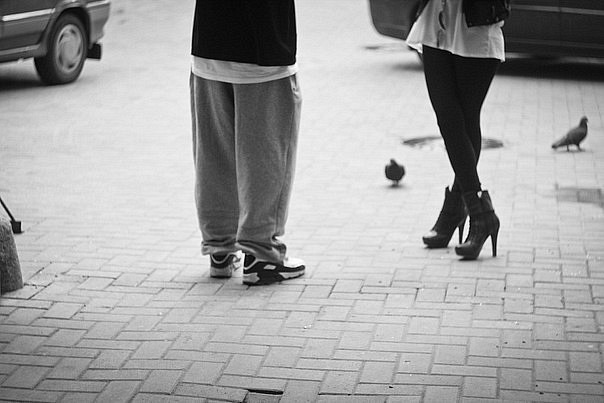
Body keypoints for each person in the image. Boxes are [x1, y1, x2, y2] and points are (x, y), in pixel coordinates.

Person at [190, 0, 305, 285]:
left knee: (214, 156)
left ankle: (220, 249)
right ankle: (261, 255)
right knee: (265, 158)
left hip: (209, 45)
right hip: (262, 50)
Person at [406, 0, 505, 260]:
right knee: (448, 119)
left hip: (475, 22)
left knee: (466, 118)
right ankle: (471, 212)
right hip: (436, 19)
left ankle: (466, 211)